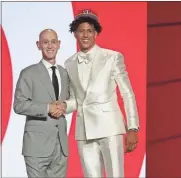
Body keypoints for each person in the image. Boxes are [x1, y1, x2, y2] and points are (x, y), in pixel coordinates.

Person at [63, 9, 140, 177]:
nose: (85, 35)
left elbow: (127, 93)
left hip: (110, 128)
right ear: (75, 33)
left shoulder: (112, 57)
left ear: (96, 33)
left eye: (89, 31)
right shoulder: (69, 63)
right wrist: (62, 106)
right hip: (84, 132)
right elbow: (76, 100)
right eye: (81, 31)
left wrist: (132, 127)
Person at [13, 29, 69, 177]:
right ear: (38, 45)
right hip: (36, 146)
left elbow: (68, 100)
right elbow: (19, 105)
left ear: (59, 44)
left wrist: (65, 106)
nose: (50, 46)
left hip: (61, 146)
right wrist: (47, 108)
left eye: (53, 42)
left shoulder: (64, 73)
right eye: (45, 42)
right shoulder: (28, 73)